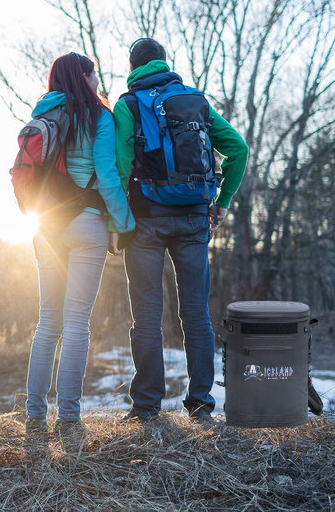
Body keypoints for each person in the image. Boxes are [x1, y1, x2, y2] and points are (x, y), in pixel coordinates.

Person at [112, 38, 249, 423]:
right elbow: (238, 149)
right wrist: (220, 204)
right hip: (193, 218)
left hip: (145, 221)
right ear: (164, 63)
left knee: (147, 315)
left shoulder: (128, 105)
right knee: (196, 313)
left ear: (133, 66)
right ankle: (201, 403)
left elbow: (122, 168)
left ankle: (146, 408)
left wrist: (117, 222)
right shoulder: (195, 101)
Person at [26, 52, 135, 448]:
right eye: (94, 75)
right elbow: (107, 176)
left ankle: (34, 415)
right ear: (86, 77)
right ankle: (69, 418)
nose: (96, 81)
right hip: (86, 224)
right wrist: (124, 224)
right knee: (76, 324)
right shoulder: (98, 116)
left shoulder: (43, 114)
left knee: (47, 323)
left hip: (46, 227)